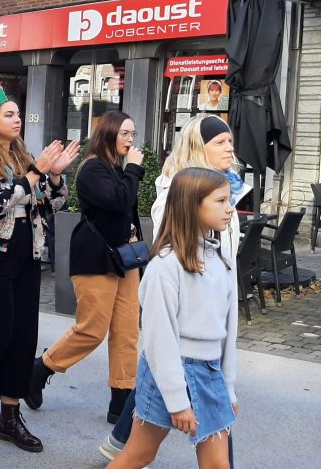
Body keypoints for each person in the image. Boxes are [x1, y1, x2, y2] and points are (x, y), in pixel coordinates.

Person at [100, 114, 246, 465]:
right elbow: (158, 336)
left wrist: (227, 385)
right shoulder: (166, 266)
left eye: (230, 202)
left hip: (209, 371)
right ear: (192, 207)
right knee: (139, 453)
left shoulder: (221, 261)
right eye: (221, 203)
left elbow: (229, 331)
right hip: (173, 369)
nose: (230, 210)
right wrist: (178, 399)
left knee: (217, 463)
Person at [0, 99, 78, 453]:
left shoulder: (22, 156)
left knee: (23, 337)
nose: (17, 119)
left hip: (27, 255)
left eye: (19, 113)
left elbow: (51, 203)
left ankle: (9, 416)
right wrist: (37, 171)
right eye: (9, 114)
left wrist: (53, 176)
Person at [27, 112, 145, 423]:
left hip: (124, 258)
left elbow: (125, 208)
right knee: (92, 330)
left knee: (127, 331)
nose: (131, 140)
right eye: (125, 134)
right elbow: (119, 200)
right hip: (95, 258)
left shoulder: (116, 168)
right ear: (108, 134)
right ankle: (41, 368)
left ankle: (120, 402)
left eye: (133, 134)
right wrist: (133, 168)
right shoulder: (92, 168)